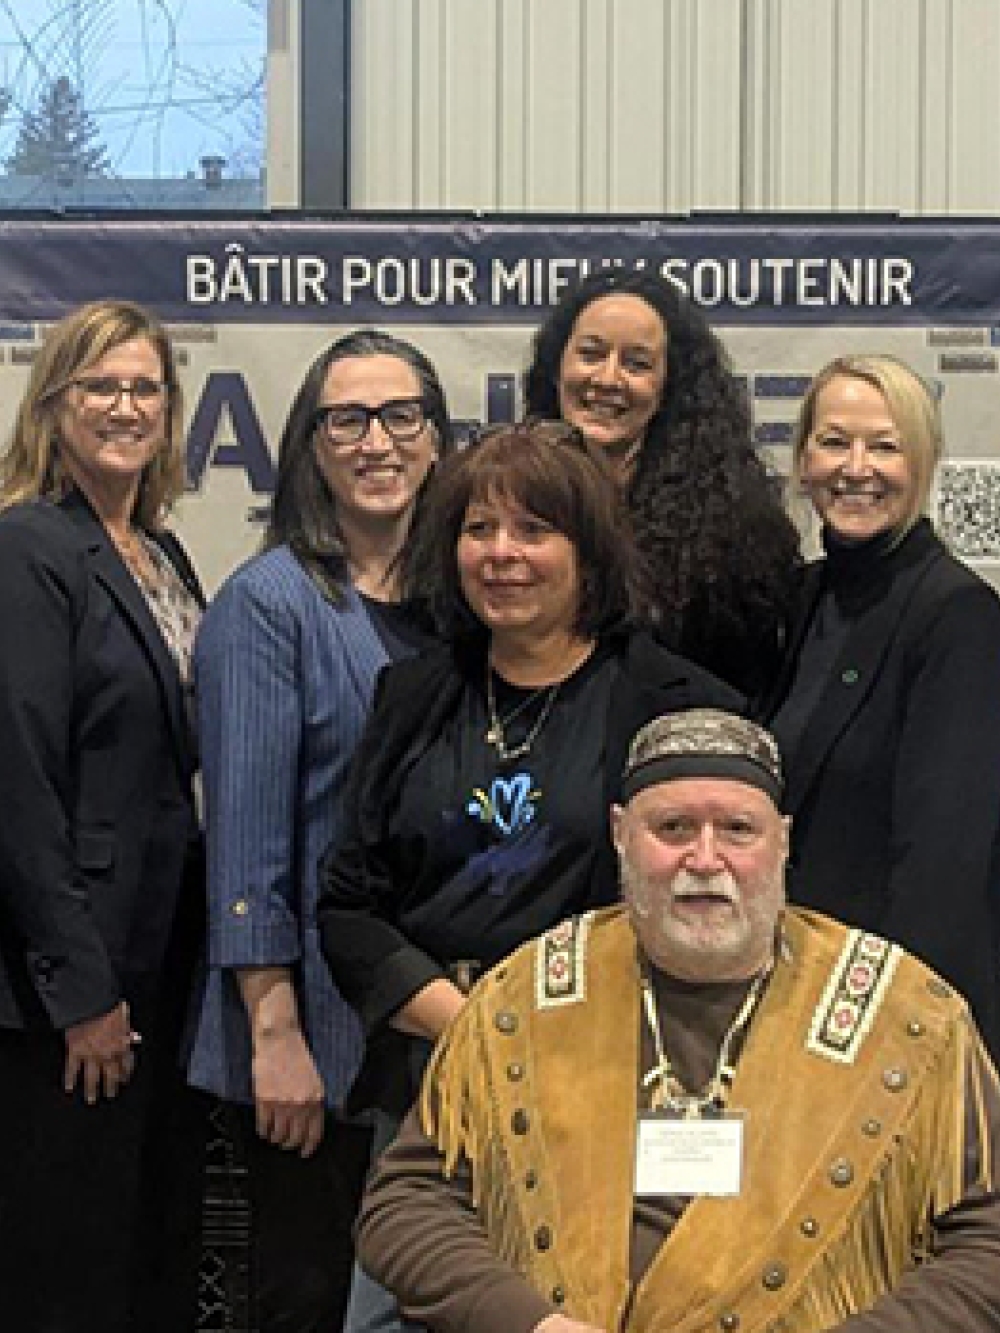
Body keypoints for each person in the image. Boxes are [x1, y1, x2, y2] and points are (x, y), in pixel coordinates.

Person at [356, 707, 1000, 1333]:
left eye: (738, 831)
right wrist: (532, 1324)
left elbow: (987, 1236)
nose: (704, 859)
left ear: (782, 840)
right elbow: (409, 1201)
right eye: (673, 828)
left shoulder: (907, 1016)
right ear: (619, 834)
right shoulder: (520, 1001)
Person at [318, 420, 741, 1333]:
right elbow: (349, 905)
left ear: (589, 554)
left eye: (532, 531)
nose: (501, 554)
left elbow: (714, 909)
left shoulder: (681, 708)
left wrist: (534, 1035)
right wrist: (470, 1028)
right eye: (478, 529)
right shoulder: (412, 696)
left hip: (602, 1091)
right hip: (434, 1083)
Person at [185, 329, 453, 1332]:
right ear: (310, 443)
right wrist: (274, 1032)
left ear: (435, 439)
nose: (376, 440)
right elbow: (245, 841)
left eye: (400, 415)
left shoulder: (458, 606)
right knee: (305, 1297)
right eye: (348, 418)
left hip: (422, 1031)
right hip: (313, 1046)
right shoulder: (269, 606)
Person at [0, 299, 205, 1332]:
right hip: (64, 993)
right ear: (55, 404)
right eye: (101, 386)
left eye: (145, 388)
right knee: (66, 1269)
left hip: (159, 962)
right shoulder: (27, 549)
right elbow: (16, 782)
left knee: (147, 1249)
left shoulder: (162, 556)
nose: (126, 407)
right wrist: (80, 990)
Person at [762, 353, 1000, 1055]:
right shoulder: (801, 600)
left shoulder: (959, 615)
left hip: (891, 1025)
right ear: (804, 459)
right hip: (799, 999)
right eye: (834, 440)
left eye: (885, 446)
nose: (855, 466)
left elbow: (944, 865)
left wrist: (892, 1035)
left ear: (920, 465)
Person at [524, 267, 801, 700]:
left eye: (637, 363)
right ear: (556, 368)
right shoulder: (506, 496)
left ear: (669, 386)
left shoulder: (732, 531)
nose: (608, 379)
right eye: (591, 354)